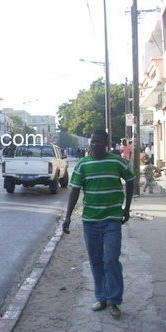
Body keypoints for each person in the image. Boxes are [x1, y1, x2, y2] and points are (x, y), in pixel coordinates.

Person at [63, 129, 134, 319]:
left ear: (107, 144)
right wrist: (68, 216)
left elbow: (130, 180)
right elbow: (74, 192)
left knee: (111, 259)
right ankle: (101, 297)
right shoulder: (83, 164)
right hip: (90, 221)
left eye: (99, 142)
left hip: (112, 218)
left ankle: (114, 301)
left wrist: (127, 209)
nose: (95, 145)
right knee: (95, 261)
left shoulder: (116, 161)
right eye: (93, 142)